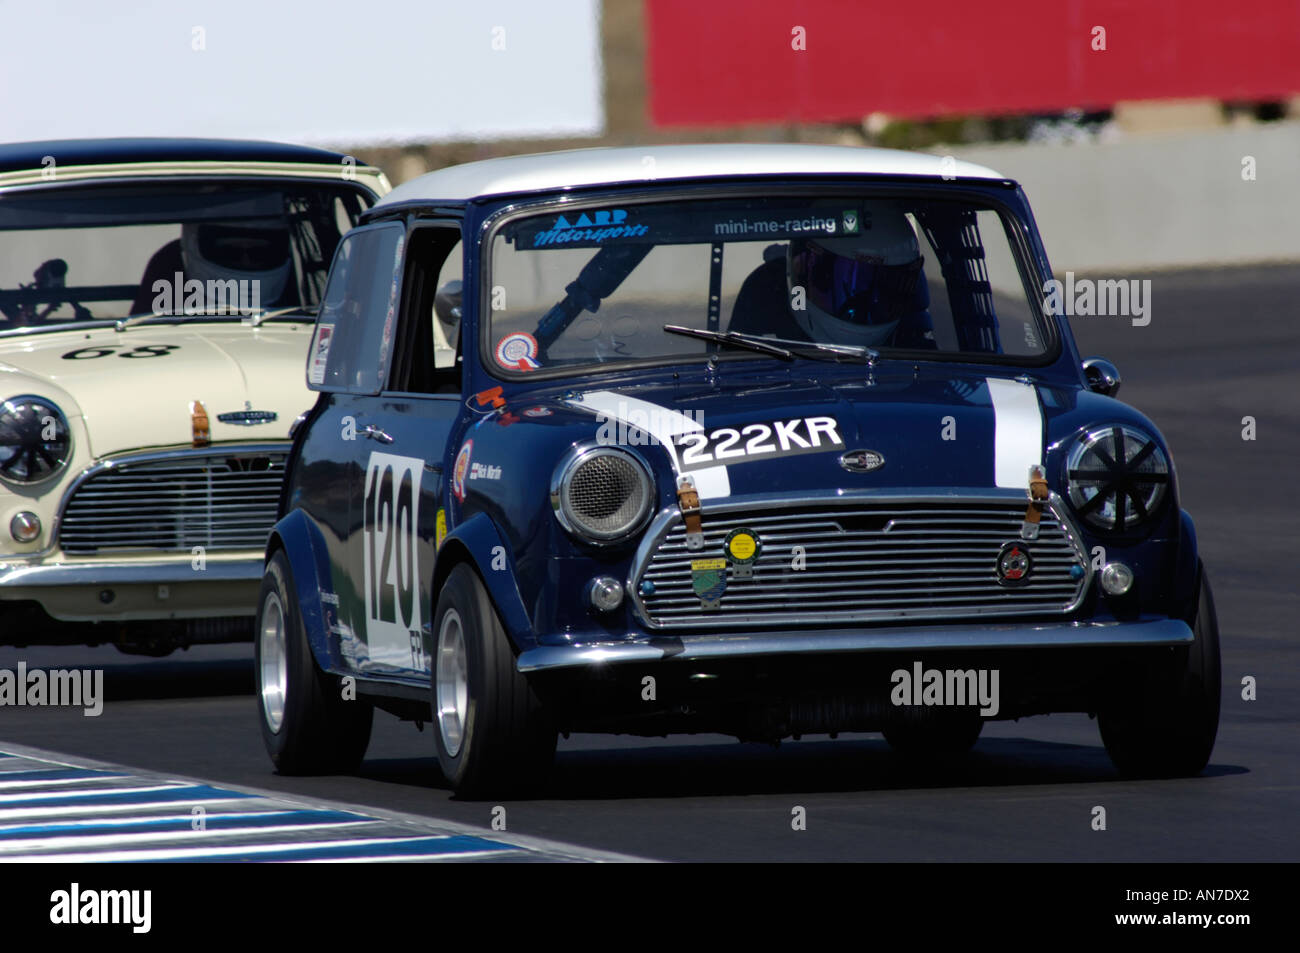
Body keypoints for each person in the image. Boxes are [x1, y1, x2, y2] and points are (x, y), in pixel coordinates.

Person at [729, 209, 936, 349]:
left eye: (882, 286)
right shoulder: (765, 297)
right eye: (830, 277)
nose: (859, 305)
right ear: (803, 269)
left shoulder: (918, 359)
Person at [130, 219, 293, 316]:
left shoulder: (298, 274)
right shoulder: (168, 263)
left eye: (259, 253)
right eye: (231, 252)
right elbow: (143, 328)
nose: (246, 261)